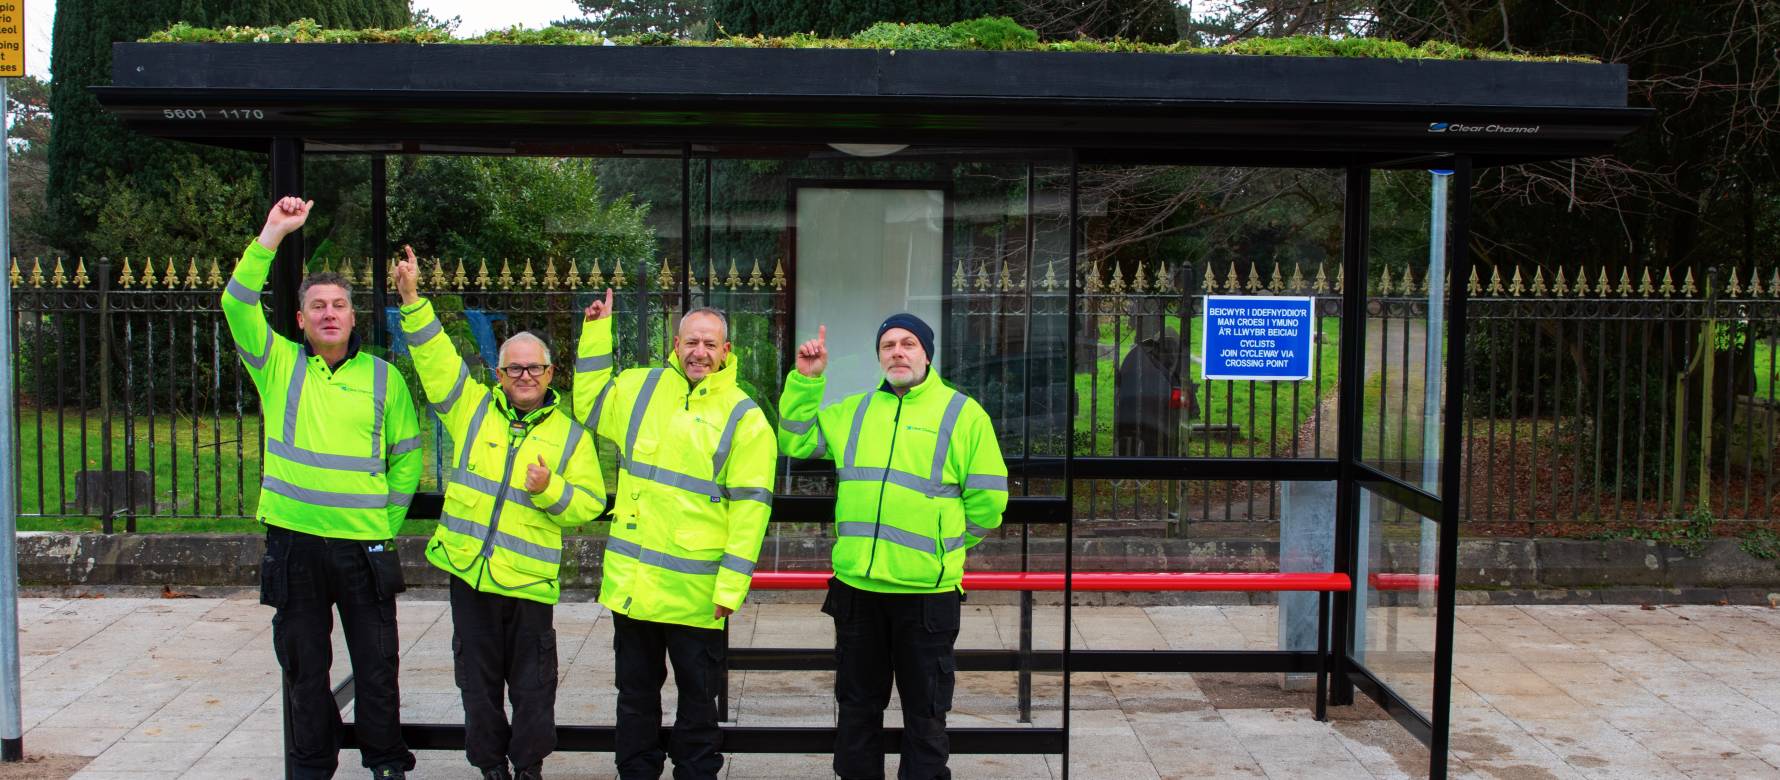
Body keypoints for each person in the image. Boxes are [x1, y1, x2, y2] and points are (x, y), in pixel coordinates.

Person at [223, 197, 422, 780]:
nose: (329, 314)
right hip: (296, 546)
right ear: (302, 320)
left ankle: (386, 763)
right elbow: (236, 304)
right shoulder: (278, 363)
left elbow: (407, 458)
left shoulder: (383, 377)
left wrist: (384, 523)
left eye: (339, 305)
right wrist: (273, 233)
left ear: (354, 317)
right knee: (305, 669)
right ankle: (312, 767)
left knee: (378, 666)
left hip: (363, 547)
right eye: (318, 307)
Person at [393, 247, 607, 780]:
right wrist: (413, 300)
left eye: (534, 366)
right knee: (476, 682)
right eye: (514, 367)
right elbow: (437, 360)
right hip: (470, 574)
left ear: (551, 372)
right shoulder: (472, 408)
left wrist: (550, 488)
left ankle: (528, 766)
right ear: (499, 371)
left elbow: (590, 502)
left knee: (534, 685)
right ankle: (490, 766)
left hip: (529, 584)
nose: (525, 375)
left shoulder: (570, 434)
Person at [778, 313, 1009, 780]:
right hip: (858, 592)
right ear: (879, 356)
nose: (897, 352)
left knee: (925, 715)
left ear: (927, 353)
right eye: (888, 345)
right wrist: (806, 382)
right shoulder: (854, 412)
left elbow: (988, 504)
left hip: (926, 595)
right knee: (857, 711)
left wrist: (943, 549)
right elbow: (796, 441)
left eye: (908, 344)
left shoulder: (963, 415)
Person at [573, 290, 776, 780]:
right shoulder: (642, 389)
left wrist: (731, 588)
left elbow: (750, 514)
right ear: (675, 343)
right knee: (635, 698)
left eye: (709, 343)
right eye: (691, 341)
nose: (699, 351)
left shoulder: (745, 418)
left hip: (698, 595)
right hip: (636, 589)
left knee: (698, 702)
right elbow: (590, 404)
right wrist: (597, 331)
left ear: (727, 351)